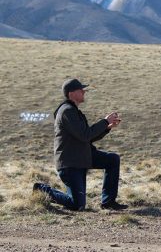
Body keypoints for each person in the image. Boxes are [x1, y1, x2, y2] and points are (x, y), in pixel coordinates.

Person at [33, 78, 128, 210]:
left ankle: (108, 202)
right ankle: (41, 189)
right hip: (70, 163)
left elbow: (87, 137)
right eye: (80, 90)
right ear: (71, 94)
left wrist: (107, 127)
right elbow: (85, 135)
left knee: (112, 159)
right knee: (77, 205)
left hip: (82, 157)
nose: (84, 91)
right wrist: (105, 122)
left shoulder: (72, 111)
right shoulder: (67, 111)